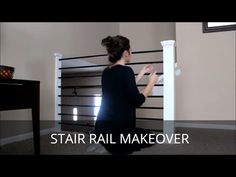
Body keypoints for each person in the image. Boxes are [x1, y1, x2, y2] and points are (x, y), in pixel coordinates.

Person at [94, 35, 158, 154]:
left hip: (101, 129)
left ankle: (103, 143)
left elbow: (124, 87)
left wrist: (142, 73)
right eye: (130, 49)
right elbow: (137, 101)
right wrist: (151, 83)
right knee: (151, 137)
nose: (131, 52)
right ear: (126, 53)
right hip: (118, 133)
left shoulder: (106, 71)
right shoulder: (126, 71)